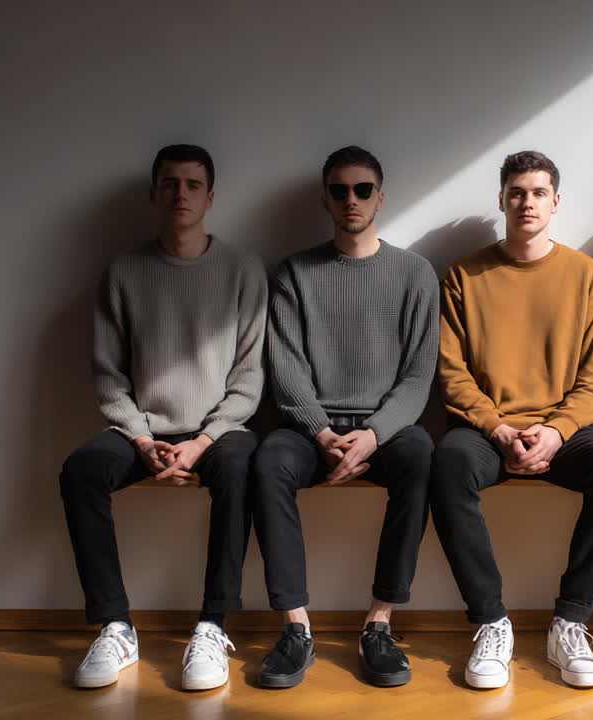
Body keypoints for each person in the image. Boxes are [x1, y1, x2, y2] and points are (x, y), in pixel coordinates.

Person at [60, 144, 267, 690]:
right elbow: (107, 375)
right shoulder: (124, 271)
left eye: (193, 184)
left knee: (245, 462)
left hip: (217, 432)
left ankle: (212, 624)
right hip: (140, 430)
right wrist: (142, 439)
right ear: (155, 194)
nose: (181, 194)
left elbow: (249, 381)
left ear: (211, 196)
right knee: (80, 470)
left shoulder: (243, 269)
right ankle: (115, 625)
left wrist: (200, 443)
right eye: (170, 184)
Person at [429, 151, 593, 689]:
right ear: (501, 200)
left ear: (555, 202)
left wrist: (554, 431)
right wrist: (497, 428)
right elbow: (451, 375)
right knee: (448, 464)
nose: (527, 202)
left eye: (539, 193)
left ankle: (570, 622)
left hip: (564, 429)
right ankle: (491, 623)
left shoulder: (584, 274)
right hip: (486, 430)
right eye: (517, 192)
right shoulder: (464, 275)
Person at [250, 146, 439, 689]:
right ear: (325, 198)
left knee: (423, 457)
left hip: (386, 430)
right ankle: (296, 628)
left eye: (362, 189)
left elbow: (418, 377)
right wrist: (325, 433)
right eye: (339, 190)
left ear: (381, 196)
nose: (350, 200)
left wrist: (373, 436)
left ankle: (379, 623)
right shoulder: (294, 272)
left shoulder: (415, 273)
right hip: (313, 429)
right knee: (267, 462)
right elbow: (285, 368)